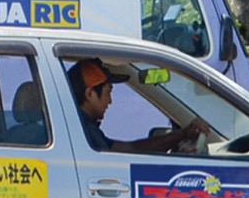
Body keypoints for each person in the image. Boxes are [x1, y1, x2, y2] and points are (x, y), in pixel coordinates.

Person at [67, 57, 210, 153]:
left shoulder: (82, 129)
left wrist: (182, 134)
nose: (110, 101)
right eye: (108, 92)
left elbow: (131, 148)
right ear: (90, 94)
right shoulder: (83, 131)